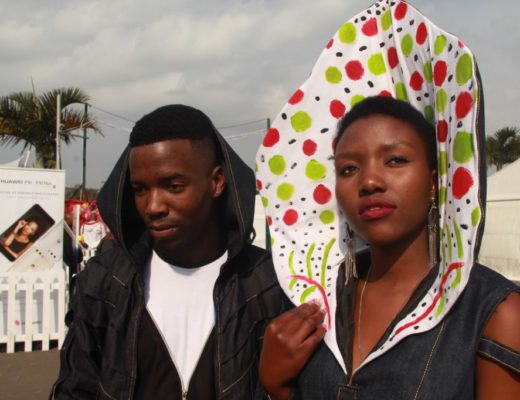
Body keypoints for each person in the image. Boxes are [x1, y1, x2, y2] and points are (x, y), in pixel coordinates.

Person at [258, 96, 520, 399]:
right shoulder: (315, 301)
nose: (369, 181)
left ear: (433, 183)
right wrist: (276, 387)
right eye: (348, 169)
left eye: (395, 160)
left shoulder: (494, 313)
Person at [51, 104, 287, 399]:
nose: (153, 207)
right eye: (140, 190)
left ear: (216, 182)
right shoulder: (105, 281)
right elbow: (75, 389)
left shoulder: (267, 283)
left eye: (173, 186)